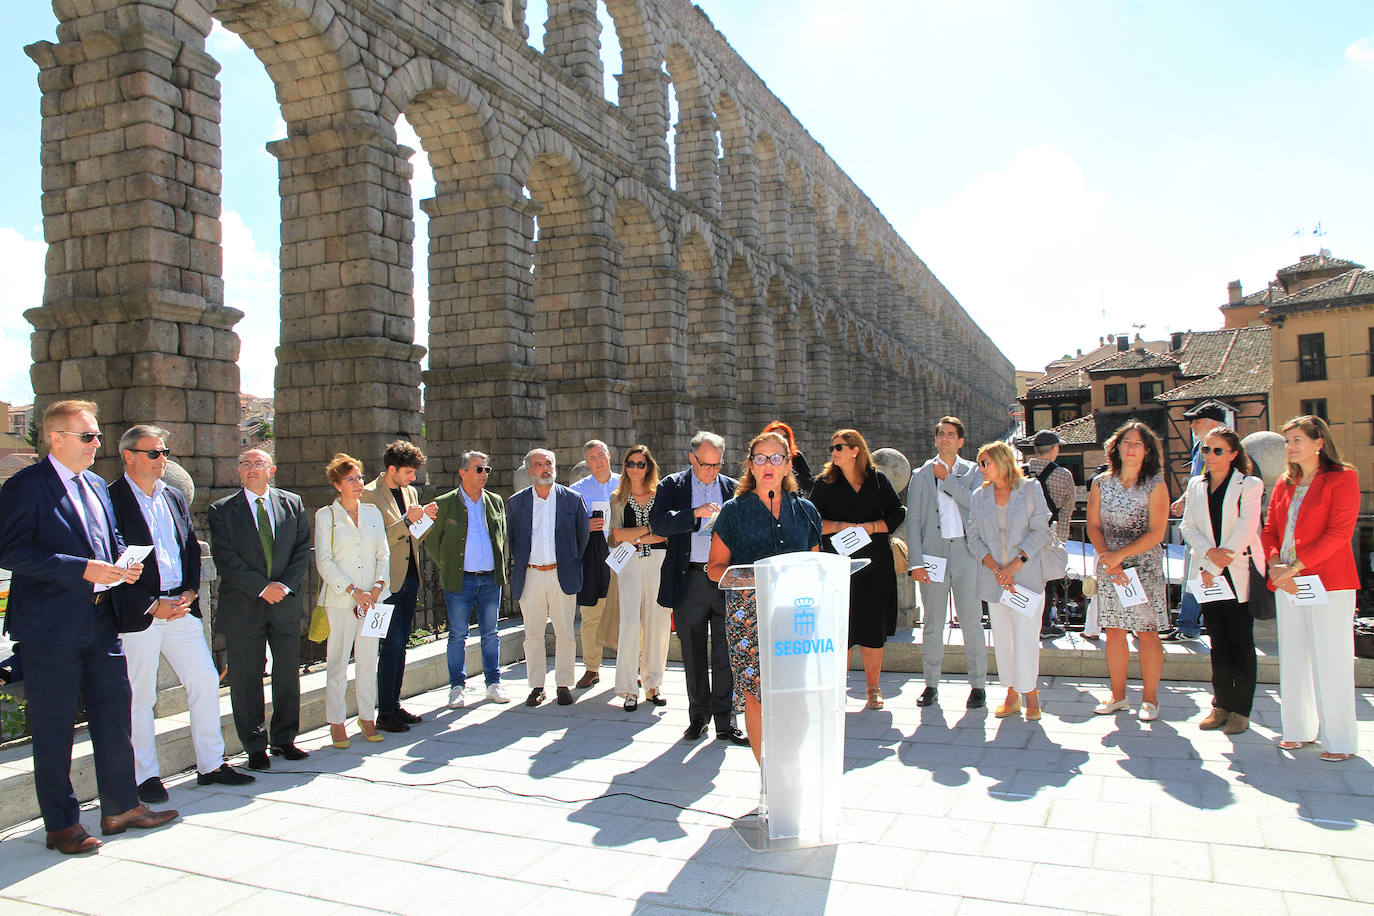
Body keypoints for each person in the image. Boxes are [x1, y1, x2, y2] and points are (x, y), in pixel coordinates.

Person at [0, 400, 176, 854]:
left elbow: (110, 539)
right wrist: (83, 569)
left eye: (97, 435)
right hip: (49, 628)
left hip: (101, 621)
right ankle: (61, 825)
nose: (97, 444)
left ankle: (122, 806)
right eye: (88, 436)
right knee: (54, 728)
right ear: (55, 438)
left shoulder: (97, 484)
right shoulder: (26, 486)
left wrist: (123, 565)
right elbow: (10, 552)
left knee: (114, 718)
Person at [108, 425, 254, 803]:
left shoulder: (172, 496)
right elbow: (112, 559)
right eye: (154, 453)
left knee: (205, 681)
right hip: (141, 612)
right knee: (140, 697)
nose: (162, 460)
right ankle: (145, 776)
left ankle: (211, 764)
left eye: (165, 452)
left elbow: (190, 546)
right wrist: (149, 602)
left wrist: (191, 590)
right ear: (129, 456)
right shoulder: (111, 500)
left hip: (180, 608)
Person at [707, 431, 823, 763]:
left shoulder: (807, 512)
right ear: (751, 466)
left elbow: (816, 566)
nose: (768, 464)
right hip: (748, 616)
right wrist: (752, 576)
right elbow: (715, 568)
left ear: (788, 465)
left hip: (795, 615)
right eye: (760, 458)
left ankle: (790, 766)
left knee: (793, 695)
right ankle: (768, 778)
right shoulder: (733, 511)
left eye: (776, 458)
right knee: (755, 696)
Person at [1261, 415, 1360, 762]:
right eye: (1287, 441)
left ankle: (1339, 740)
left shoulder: (1343, 478)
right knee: (1294, 656)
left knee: (1331, 659)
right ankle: (1298, 729)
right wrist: (1276, 567)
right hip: (1288, 583)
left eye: (1297, 439)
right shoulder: (1284, 483)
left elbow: (1339, 534)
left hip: (1328, 582)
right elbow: (1270, 529)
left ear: (1319, 443)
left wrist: (1295, 568)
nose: (1290, 447)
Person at [208, 447, 313, 770]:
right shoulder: (222, 510)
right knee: (246, 677)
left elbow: (301, 549)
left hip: (283, 602)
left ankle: (284, 739)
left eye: (258, 463)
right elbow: (226, 558)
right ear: (238, 472)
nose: (252, 468)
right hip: (244, 605)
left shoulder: (290, 503)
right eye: (245, 464)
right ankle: (254, 744)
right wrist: (261, 587)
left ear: (272, 470)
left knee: (286, 673)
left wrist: (282, 586)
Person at [650, 431, 747, 744]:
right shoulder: (672, 485)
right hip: (689, 576)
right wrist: (694, 515)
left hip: (724, 580)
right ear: (692, 458)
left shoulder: (732, 487)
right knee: (692, 651)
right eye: (705, 465)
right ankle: (698, 719)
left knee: (726, 652)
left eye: (717, 465)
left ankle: (726, 721)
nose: (711, 471)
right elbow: (659, 524)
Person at [808, 428, 905, 709]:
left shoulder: (877, 481)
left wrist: (873, 527)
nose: (834, 452)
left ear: (855, 450)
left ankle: (873, 689)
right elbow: (813, 522)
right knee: (842, 629)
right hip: (839, 568)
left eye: (839, 447)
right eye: (832, 448)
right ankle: (839, 686)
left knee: (873, 629)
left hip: (876, 565)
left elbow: (897, 513)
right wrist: (839, 526)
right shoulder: (824, 484)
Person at [1179, 427, 1264, 735]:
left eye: (1217, 450)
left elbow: (1246, 528)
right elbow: (1187, 525)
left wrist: (1214, 564)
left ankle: (1241, 709)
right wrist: (1208, 553)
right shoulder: (1195, 485)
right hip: (1208, 570)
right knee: (1217, 642)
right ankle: (1221, 704)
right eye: (1205, 450)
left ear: (1233, 454)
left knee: (1241, 642)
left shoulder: (1249, 485)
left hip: (1235, 571)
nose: (1210, 455)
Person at [1087, 421, 1170, 721]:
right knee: (1114, 632)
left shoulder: (1155, 485)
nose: (1131, 447)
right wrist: (1109, 558)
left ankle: (1150, 699)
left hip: (1143, 567)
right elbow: (1093, 525)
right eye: (1126, 442)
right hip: (1111, 567)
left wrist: (1119, 556)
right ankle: (1118, 696)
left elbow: (1157, 532)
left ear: (1147, 451)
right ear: (1117, 447)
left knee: (1147, 633)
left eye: (1137, 443)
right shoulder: (1101, 483)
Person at [966, 441, 1053, 720]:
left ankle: (1031, 694)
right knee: (1003, 639)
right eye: (980, 463)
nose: (981, 469)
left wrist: (1015, 565)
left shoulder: (1030, 489)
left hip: (1025, 577)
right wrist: (995, 568)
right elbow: (973, 536)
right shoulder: (979, 496)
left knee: (1026, 637)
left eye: (985, 463)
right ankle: (1012, 693)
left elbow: (1041, 529)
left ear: (1002, 461)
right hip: (995, 579)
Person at [906, 416, 987, 709]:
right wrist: (916, 562)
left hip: (966, 554)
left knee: (971, 622)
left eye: (951, 434)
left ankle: (978, 685)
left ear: (961, 441)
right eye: (940, 434)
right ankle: (931, 684)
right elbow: (913, 520)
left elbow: (976, 505)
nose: (945, 439)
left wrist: (948, 480)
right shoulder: (921, 474)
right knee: (932, 622)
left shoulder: (973, 471)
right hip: (933, 554)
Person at [360, 441, 437, 733]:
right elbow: (377, 539)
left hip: (409, 576)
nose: (413, 478)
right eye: (408, 472)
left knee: (401, 645)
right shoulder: (368, 495)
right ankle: (385, 712)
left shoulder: (410, 491)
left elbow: (412, 537)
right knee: (390, 644)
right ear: (390, 469)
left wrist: (426, 520)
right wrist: (409, 520)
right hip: (385, 583)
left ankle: (395, 703)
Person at [314, 454, 390, 749]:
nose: (358, 483)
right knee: (337, 662)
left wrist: (378, 587)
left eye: (359, 477)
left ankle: (367, 717)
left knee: (369, 661)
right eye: (351, 479)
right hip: (341, 600)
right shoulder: (326, 516)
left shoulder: (372, 512)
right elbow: (324, 560)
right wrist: (352, 591)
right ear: (337, 485)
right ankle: (336, 721)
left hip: (374, 600)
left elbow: (382, 553)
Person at [428, 450, 510, 708]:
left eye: (487, 470)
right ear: (462, 472)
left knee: (491, 633)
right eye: (478, 469)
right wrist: (446, 565)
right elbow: (432, 541)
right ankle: (457, 686)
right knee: (457, 635)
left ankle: (493, 683)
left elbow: (501, 535)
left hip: (489, 579)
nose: (484, 474)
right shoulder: (445, 503)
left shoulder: (495, 501)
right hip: (460, 580)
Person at [508, 448, 590, 707]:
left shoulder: (572, 499)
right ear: (529, 471)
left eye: (549, 464)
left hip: (560, 574)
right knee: (532, 634)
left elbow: (582, 537)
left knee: (565, 633)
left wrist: (569, 562)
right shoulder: (516, 502)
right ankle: (537, 686)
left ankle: (564, 684)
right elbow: (513, 538)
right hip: (530, 575)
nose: (546, 468)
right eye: (539, 464)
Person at [608, 445, 670, 710]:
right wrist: (647, 530)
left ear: (649, 466)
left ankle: (653, 684)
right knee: (631, 623)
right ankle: (627, 688)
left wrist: (635, 534)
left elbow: (667, 534)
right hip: (629, 562)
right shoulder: (618, 497)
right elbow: (615, 536)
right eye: (630, 463)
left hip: (658, 561)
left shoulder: (661, 495)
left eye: (640, 464)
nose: (635, 468)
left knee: (657, 622)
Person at [1164, 403, 1227, 641]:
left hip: (1209, 523)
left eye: (1196, 422)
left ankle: (1190, 625)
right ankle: (1188, 625)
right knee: (1193, 573)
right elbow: (1197, 481)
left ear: (1212, 423)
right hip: (1197, 521)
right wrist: (1183, 500)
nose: (1191, 426)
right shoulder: (1200, 447)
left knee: (1198, 573)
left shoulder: (1220, 448)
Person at [568, 439, 619, 690]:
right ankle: (591, 668)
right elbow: (567, 526)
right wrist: (585, 526)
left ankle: (636, 666)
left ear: (609, 455)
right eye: (592, 458)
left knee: (631, 614)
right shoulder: (577, 490)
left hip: (624, 554)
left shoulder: (625, 483)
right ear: (586, 462)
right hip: (593, 558)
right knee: (590, 616)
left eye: (601, 455)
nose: (597, 461)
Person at [1026, 430, 1075, 639]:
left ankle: (1027, 621)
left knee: (1026, 579)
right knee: (1048, 581)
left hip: (1024, 535)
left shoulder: (1021, 471)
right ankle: (1045, 624)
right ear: (1054, 449)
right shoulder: (1064, 475)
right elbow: (1067, 509)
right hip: (1049, 534)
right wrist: (1061, 539)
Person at [763, 420, 815, 494]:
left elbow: (811, 486)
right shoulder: (761, 458)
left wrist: (790, 471)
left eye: (785, 436)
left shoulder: (796, 456)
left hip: (792, 501)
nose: (782, 440)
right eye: (777, 436)